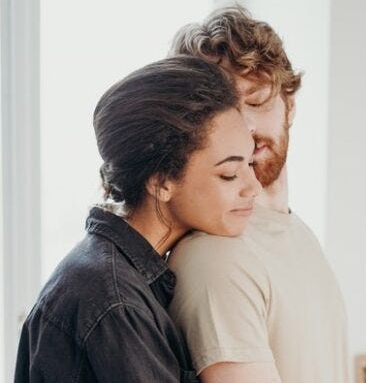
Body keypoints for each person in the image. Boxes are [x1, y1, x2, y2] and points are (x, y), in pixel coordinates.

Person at [14, 56, 261, 382]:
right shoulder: (115, 304)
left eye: (249, 164)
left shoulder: (117, 278)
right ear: (161, 183)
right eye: (229, 174)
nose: (253, 187)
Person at [168, 6, 349, 383]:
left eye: (256, 102)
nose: (245, 128)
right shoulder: (216, 256)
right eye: (223, 111)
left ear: (290, 106)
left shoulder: (295, 233)